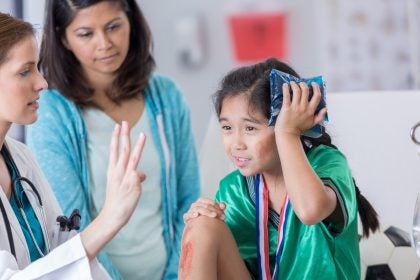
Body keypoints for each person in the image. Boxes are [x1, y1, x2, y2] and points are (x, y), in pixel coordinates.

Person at [26, 0, 200, 279]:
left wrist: (174, 274)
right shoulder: (51, 112)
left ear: (131, 21)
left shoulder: (167, 95)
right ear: (63, 37)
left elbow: (188, 199)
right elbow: (70, 226)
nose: (104, 43)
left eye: (113, 26)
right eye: (86, 34)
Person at [180, 58, 379, 280]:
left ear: (290, 122)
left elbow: (309, 210)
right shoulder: (234, 190)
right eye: (227, 127)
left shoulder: (327, 164)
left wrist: (287, 133)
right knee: (202, 226)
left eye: (250, 128)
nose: (236, 143)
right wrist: (200, 218)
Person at [0, 12, 147, 279]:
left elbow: (62, 252)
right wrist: (109, 218)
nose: (41, 82)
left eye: (37, 68)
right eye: (24, 71)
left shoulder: (21, 158)